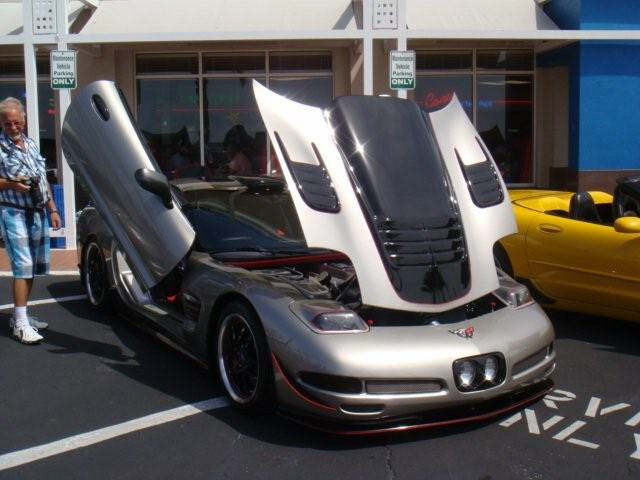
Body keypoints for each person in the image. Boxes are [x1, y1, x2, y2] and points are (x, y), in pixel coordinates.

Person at [0, 97, 61, 344]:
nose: (13, 128)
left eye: (16, 122)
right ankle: (21, 325)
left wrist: (53, 209)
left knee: (33, 265)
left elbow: (42, 179)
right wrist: (13, 185)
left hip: (37, 211)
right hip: (13, 211)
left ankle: (21, 316)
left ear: (23, 120)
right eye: (7, 124)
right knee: (22, 265)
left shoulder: (32, 144)